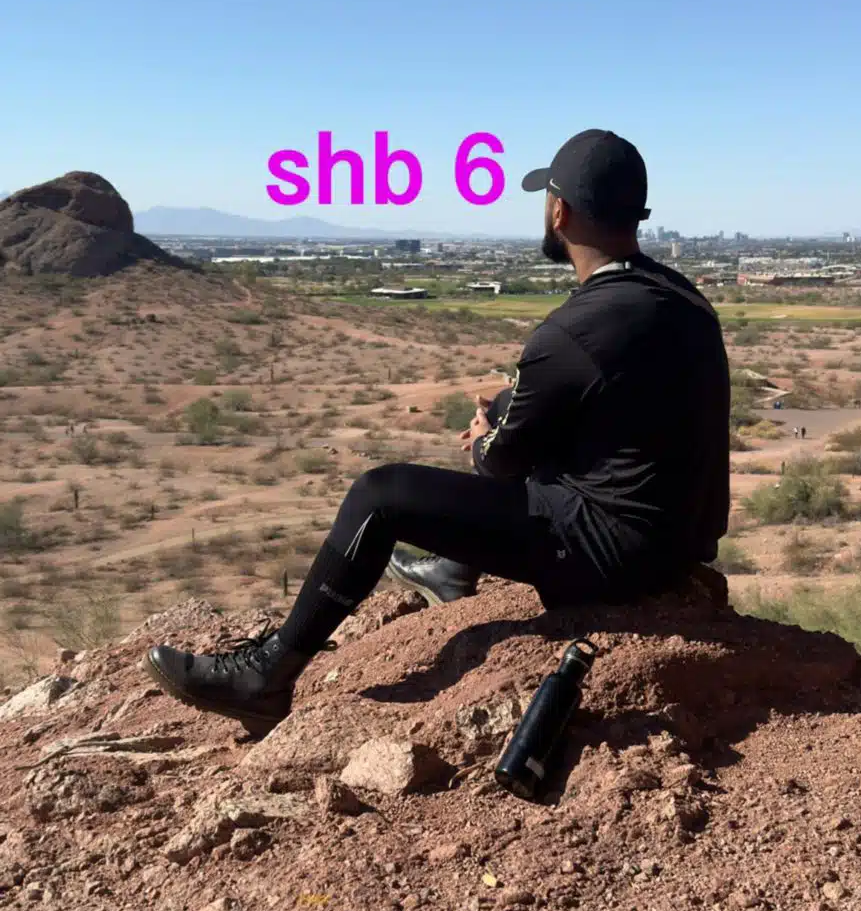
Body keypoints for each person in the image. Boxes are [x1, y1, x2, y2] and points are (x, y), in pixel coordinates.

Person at [142, 129, 732, 738]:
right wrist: (508, 408)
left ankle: (265, 677)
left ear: (559, 212)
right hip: (674, 547)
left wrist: (482, 436)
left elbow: (500, 465)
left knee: (379, 496)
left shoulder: (574, 329)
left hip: (612, 560)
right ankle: (451, 572)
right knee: (516, 414)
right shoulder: (681, 299)